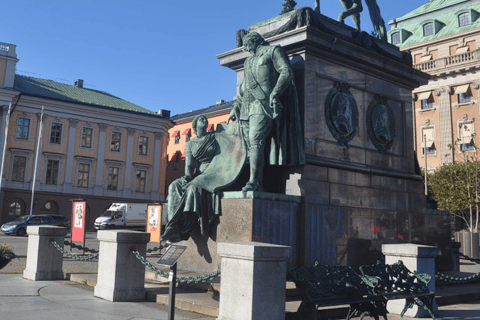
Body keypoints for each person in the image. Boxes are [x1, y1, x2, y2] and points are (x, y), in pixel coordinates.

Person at [227, 32, 304, 192]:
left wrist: (275, 93)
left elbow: (286, 72)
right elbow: (244, 88)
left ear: (254, 42)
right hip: (246, 109)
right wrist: (236, 106)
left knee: (255, 142)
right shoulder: (248, 61)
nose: (246, 49)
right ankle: (259, 181)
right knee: (252, 147)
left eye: (247, 46)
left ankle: (253, 181)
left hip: (263, 105)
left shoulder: (273, 51)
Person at [161, 115, 246, 243]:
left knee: (193, 188)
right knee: (174, 185)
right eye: (201, 119)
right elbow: (189, 166)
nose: (204, 119)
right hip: (198, 173)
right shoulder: (190, 144)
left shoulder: (214, 137)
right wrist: (187, 177)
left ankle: (185, 226)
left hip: (215, 170)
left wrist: (239, 125)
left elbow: (229, 143)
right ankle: (173, 227)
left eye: (205, 119)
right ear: (195, 125)